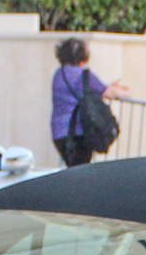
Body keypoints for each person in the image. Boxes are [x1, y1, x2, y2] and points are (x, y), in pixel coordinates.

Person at [48, 37, 130, 168]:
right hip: (78, 132)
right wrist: (125, 90)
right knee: (81, 172)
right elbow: (109, 93)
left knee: (73, 170)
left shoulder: (59, 74)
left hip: (59, 132)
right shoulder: (83, 75)